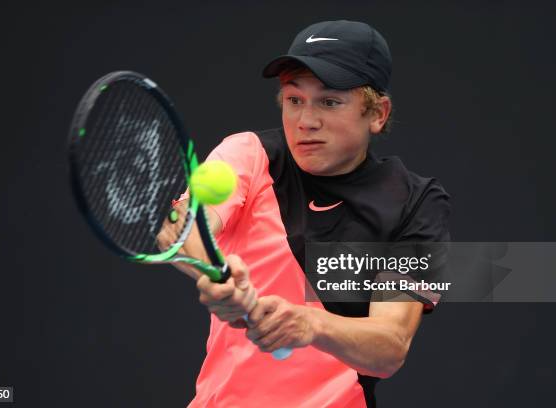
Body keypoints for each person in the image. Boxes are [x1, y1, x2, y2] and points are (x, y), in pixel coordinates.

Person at [169, 20, 450, 407]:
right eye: (293, 100)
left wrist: (310, 324)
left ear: (378, 114)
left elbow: (390, 346)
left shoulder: (415, 201)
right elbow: (180, 227)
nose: (305, 121)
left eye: (329, 101)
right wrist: (215, 273)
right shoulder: (248, 154)